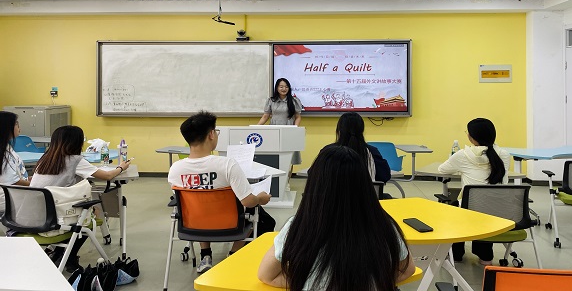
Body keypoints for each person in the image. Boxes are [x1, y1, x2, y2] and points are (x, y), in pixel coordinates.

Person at [258, 144, 415, 291]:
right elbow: (407, 270)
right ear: (365, 184)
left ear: (315, 184)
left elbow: (266, 275)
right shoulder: (384, 225)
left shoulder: (299, 226)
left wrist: (309, 281)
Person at [168, 111, 274, 274]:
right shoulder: (227, 165)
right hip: (230, 224)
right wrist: (261, 198)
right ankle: (234, 255)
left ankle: (205, 255)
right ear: (211, 134)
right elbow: (247, 201)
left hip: (193, 226)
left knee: (200, 205)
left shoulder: (175, 169)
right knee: (261, 215)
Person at [29, 125, 131, 272]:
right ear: (76, 142)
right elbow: (108, 176)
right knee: (89, 217)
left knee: (82, 211)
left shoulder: (45, 159)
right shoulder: (75, 160)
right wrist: (121, 167)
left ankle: (59, 253)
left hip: (33, 216)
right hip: (54, 219)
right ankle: (69, 257)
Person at [437, 117, 510, 266]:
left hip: (469, 211)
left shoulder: (463, 155)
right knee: (485, 208)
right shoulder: (503, 154)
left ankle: (456, 254)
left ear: (471, 137)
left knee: (455, 208)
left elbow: (442, 169)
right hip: (498, 211)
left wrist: (461, 169)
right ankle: (485, 257)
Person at [334, 112, 391, 183]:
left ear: (339, 130)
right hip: (366, 190)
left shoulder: (328, 151)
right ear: (362, 130)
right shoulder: (372, 151)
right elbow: (385, 176)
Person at [0, 111, 30, 219]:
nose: (19, 127)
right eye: (16, 124)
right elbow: (12, 182)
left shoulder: (6, 148)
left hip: (12, 196)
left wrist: (29, 179)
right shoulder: (3, 153)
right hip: (8, 199)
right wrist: (34, 184)